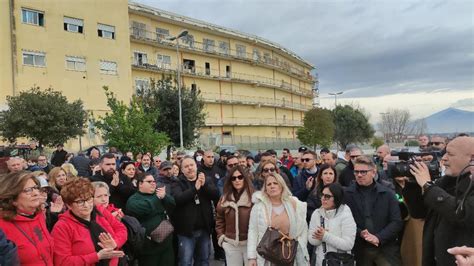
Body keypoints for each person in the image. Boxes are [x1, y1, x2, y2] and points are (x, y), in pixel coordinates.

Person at [405, 136, 474, 266]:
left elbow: (460, 213)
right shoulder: (444, 182)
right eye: (444, 153)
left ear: (472, 158)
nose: (444, 158)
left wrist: (427, 186)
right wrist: (413, 182)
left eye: (450, 154)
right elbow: (419, 212)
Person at [51, 178, 127, 265]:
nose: (86, 205)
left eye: (88, 199)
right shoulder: (62, 227)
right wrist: (97, 256)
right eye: (80, 202)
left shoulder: (100, 210)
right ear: (69, 205)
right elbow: (63, 262)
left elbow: (121, 229)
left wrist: (115, 243)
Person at [344, 156, 403, 265]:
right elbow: (344, 222)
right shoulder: (347, 194)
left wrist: (378, 238)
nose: (359, 175)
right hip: (359, 250)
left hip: (385, 248)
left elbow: (396, 222)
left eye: (363, 172)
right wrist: (360, 233)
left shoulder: (387, 193)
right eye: (356, 172)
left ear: (373, 172)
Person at [247, 172, 309, 266]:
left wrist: (299, 247)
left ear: (282, 185)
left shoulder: (295, 204)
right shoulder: (258, 207)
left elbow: (303, 229)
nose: (272, 186)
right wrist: (252, 257)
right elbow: (253, 231)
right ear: (266, 189)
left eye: (275, 183)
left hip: (289, 255)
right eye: (269, 184)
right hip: (267, 255)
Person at [170, 156, 220, 266]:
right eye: (186, 166)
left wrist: (204, 184)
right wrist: (195, 189)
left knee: (203, 261)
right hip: (186, 231)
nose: (189, 168)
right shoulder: (177, 182)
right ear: (182, 170)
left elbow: (216, 195)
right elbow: (178, 199)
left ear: (196, 166)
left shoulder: (206, 179)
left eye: (191, 165)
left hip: (204, 229)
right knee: (185, 262)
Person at [0, 171, 54, 265]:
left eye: (36, 188)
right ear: (12, 198)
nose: (36, 193)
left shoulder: (39, 215)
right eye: (28, 190)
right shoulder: (2, 225)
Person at [126, 173, 176, 265]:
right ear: (140, 184)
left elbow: (172, 204)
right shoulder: (133, 200)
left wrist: (165, 196)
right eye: (149, 181)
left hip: (166, 245)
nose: (153, 183)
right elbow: (146, 208)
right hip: (148, 248)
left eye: (154, 181)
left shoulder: (159, 195)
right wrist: (157, 198)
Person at [308, 183, 356, 266]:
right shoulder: (316, 213)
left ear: (337, 198)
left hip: (340, 262)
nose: (323, 198)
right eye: (322, 195)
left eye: (327, 196)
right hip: (320, 261)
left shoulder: (345, 214)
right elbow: (312, 241)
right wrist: (318, 235)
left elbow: (348, 244)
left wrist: (325, 236)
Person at [215, 165, 254, 266]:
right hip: (231, 244)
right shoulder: (224, 199)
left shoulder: (254, 198)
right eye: (233, 178)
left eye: (240, 177)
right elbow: (219, 219)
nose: (237, 180)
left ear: (245, 178)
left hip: (250, 244)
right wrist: (222, 239)